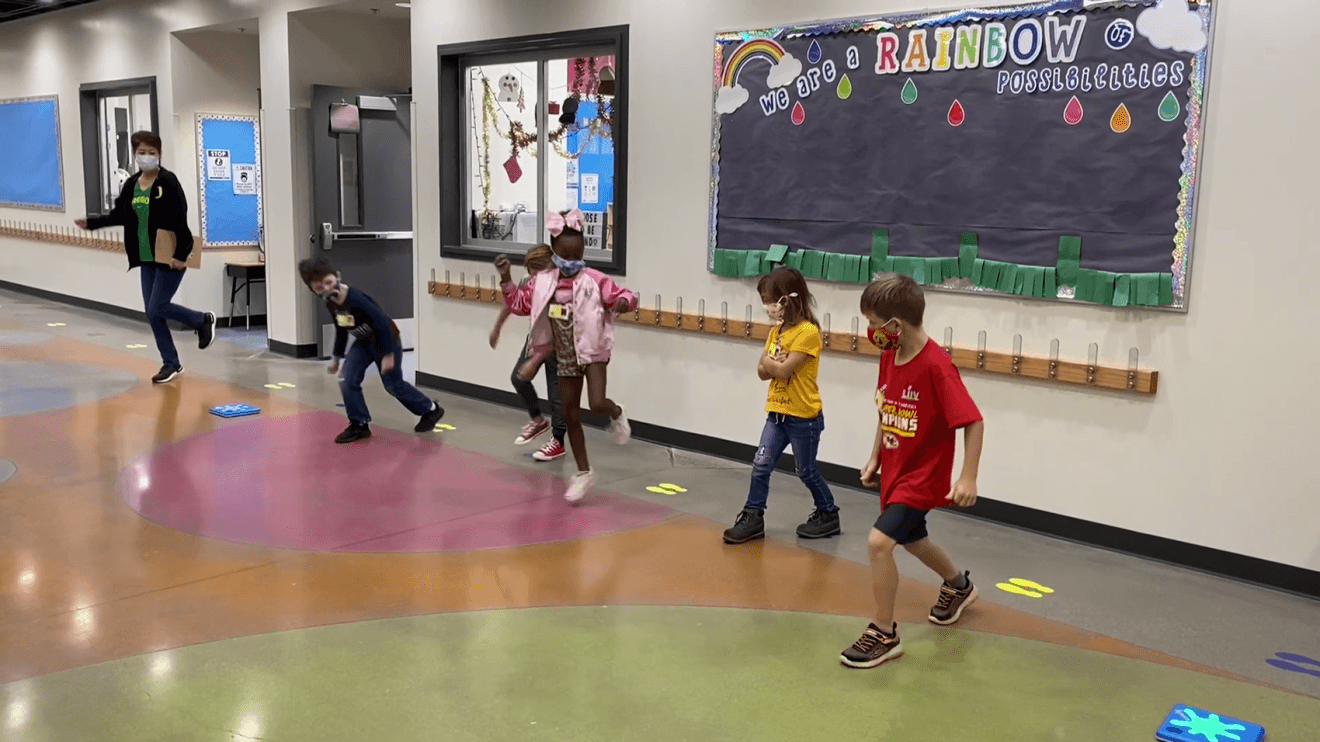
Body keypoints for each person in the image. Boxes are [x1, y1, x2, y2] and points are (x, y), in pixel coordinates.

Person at [841, 273, 985, 669]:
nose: (871, 331)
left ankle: (884, 633)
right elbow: (886, 408)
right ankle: (959, 587)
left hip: (923, 476)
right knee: (912, 538)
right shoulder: (890, 355)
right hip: (896, 470)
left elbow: (973, 421)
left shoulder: (937, 366)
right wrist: (875, 457)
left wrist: (968, 476)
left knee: (879, 543)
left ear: (894, 326)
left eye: (873, 324)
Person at [496, 209, 637, 502]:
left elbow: (624, 294)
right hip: (564, 357)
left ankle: (615, 412)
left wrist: (623, 302)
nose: (571, 262)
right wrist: (507, 279)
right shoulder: (543, 282)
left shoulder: (594, 279)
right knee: (570, 415)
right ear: (554, 251)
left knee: (596, 403)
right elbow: (520, 304)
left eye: (577, 255)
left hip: (593, 352)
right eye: (566, 255)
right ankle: (583, 472)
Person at [75, 130, 216, 384]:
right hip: (145, 256)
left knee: (157, 306)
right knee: (153, 313)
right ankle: (171, 363)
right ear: (134, 154)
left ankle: (202, 319)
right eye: (142, 152)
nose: (147, 157)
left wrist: (182, 254)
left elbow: (180, 218)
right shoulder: (131, 184)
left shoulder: (168, 182)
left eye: (152, 152)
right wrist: (92, 223)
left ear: (159, 154)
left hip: (170, 255)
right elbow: (119, 215)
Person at [723, 267, 841, 544]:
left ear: (786, 301)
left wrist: (774, 364)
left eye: (769, 300)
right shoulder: (776, 332)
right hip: (777, 414)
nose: (767, 307)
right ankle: (753, 515)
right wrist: (774, 365)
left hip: (804, 417)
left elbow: (783, 370)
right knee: (760, 465)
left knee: (806, 471)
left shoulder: (808, 333)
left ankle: (828, 512)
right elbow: (763, 370)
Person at [298, 257, 445, 444]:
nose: (326, 289)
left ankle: (431, 410)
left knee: (393, 385)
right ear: (313, 290)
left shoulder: (356, 298)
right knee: (346, 379)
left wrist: (388, 354)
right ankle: (359, 424)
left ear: (336, 277)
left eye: (328, 283)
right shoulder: (331, 302)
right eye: (319, 288)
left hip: (386, 340)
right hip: (364, 343)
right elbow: (341, 329)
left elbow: (383, 324)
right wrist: (336, 356)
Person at [489, 245, 567, 462]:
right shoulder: (529, 281)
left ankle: (558, 442)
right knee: (518, 378)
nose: (532, 278)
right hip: (536, 339)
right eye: (530, 273)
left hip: (559, 345)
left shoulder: (560, 289)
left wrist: (536, 360)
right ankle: (538, 421)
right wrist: (497, 327)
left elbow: (560, 328)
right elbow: (514, 303)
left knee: (557, 397)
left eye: (535, 272)